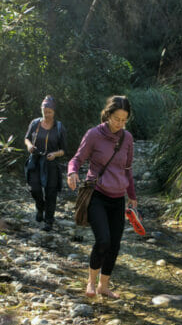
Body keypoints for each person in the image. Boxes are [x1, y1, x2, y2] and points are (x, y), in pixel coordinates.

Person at [67, 95, 137, 298]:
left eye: (124, 120)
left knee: (115, 244)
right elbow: (77, 159)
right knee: (103, 240)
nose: (120, 124)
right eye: (117, 119)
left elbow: (128, 169)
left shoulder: (127, 138)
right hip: (97, 195)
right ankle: (90, 282)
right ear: (107, 115)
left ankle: (104, 286)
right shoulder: (94, 135)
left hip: (118, 198)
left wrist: (132, 196)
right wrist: (72, 172)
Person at [24, 96, 67, 231]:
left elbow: (64, 150)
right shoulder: (35, 123)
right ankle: (40, 207)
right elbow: (26, 138)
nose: (47, 114)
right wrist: (29, 146)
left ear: (54, 111)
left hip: (51, 163)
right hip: (35, 160)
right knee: (34, 188)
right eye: (44, 111)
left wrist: (54, 154)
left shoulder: (59, 127)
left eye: (49, 111)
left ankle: (49, 220)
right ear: (41, 110)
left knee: (51, 192)